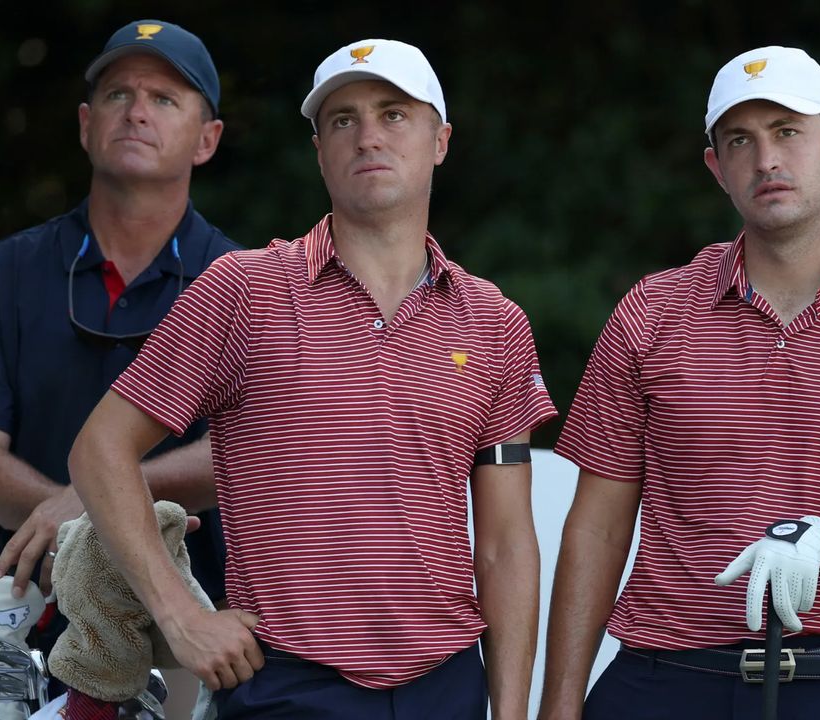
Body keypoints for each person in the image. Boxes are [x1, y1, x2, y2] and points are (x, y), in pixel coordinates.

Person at [65, 38, 557, 720]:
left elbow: (505, 544)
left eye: (394, 114)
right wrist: (180, 616)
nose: (367, 137)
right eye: (342, 120)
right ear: (319, 149)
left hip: (446, 685)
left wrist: (508, 712)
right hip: (288, 684)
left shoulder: (495, 322)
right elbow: (100, 448)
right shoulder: (244, 289)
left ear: (440, 140)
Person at [539, 46, 820, 720]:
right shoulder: (652, 312)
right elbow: (598, 529)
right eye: (740, 141)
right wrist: (559, 707)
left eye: (787, 131)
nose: (766, 160)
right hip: (662, 681)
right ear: (715, 168)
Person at [0, 19, 236, 720]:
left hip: (184, 619)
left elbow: (247, 453)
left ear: (207, 138)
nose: (136, 110)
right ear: (85, 123)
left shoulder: (251, 284)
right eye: (118, 93)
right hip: (15, 613)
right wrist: (90, 523)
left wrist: (94, 503)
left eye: (164, 98)